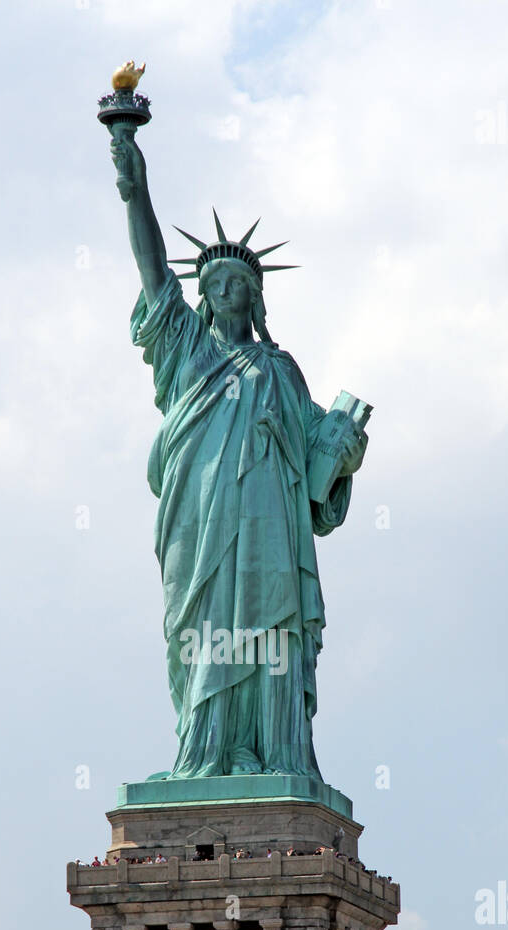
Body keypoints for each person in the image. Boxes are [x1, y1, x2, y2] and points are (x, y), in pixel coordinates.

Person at [109, 132, 367, 780]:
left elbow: (318, 475)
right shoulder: (186, 351)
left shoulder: (280, 368)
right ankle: (208, 750)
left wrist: (344, 451)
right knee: (199, 627)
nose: (226, 289)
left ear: (256, 295)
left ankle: (269, 751)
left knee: (273, 631)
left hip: (270, 528)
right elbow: (152, 267)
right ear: (201, 295)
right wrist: (132, 174)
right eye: (215, 280)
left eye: (238, 282)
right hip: (200, 521)